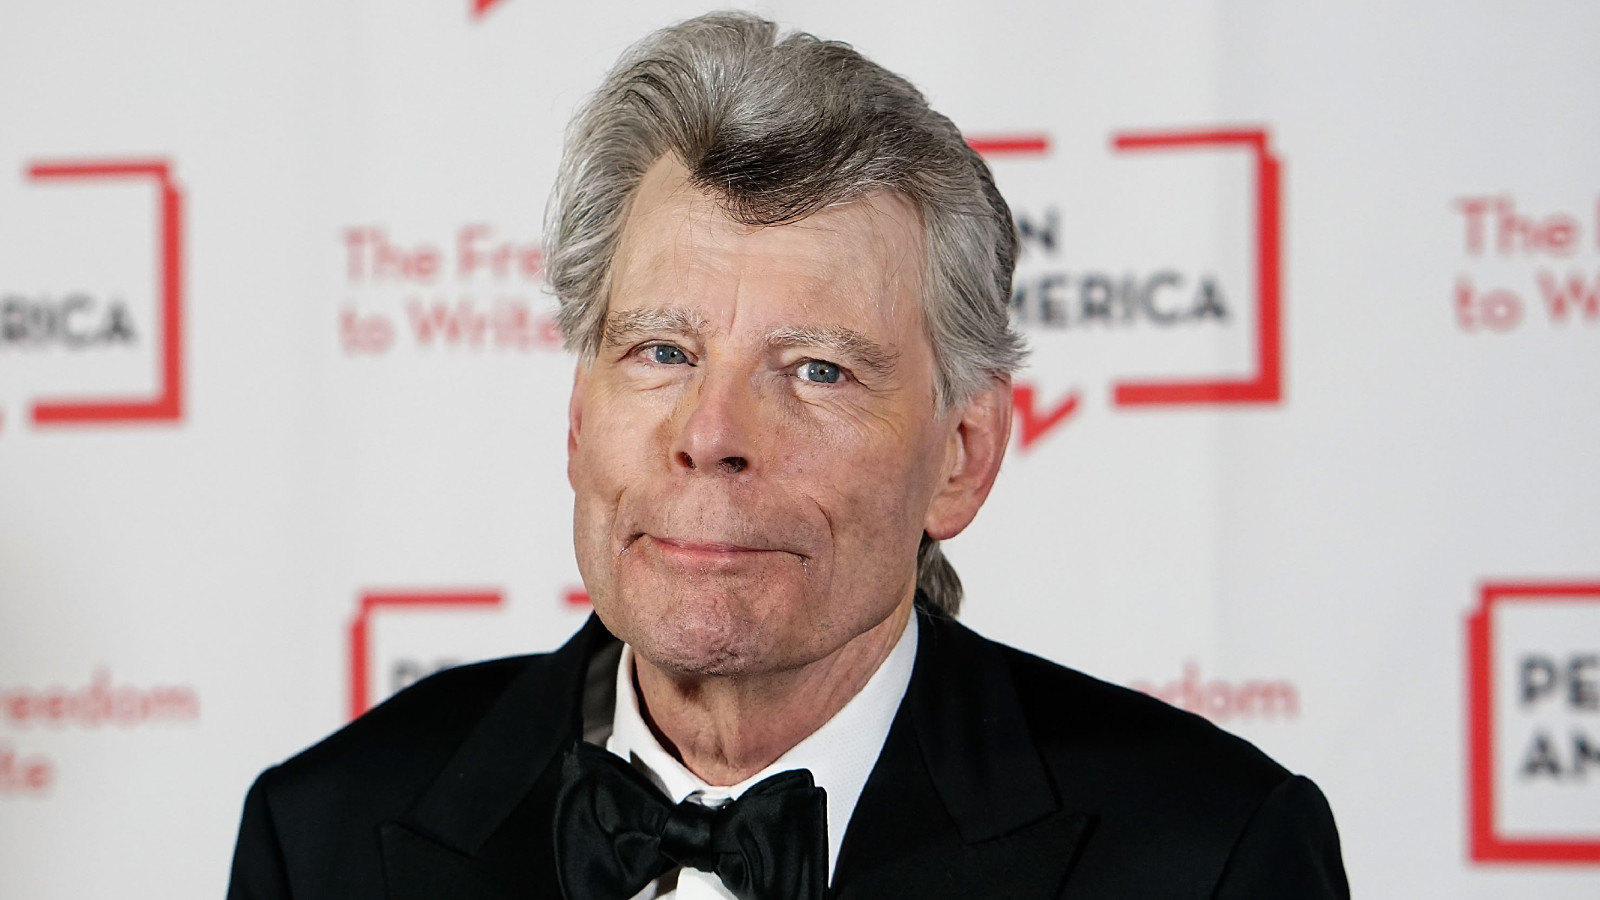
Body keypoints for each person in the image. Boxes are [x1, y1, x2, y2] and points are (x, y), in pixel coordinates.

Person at [227, 12, 1348, 900]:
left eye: (817, 370)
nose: (711, 436)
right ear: (579, 419)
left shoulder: (1212, 856)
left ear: (961, 459)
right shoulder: (322, 832)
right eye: (661, 351)